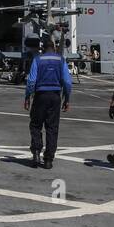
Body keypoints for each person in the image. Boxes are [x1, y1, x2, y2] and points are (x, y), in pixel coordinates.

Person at [25, 37, 73, 169]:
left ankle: (35, 152)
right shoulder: (61, 60)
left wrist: (27, 96)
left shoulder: (37, 59)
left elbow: (31, 81)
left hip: (40, 96)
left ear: (43, 48)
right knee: (52, 128)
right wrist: (67, 99)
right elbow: (68, 83)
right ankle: (48, 160)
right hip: (55, 97)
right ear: (54, 48)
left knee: (35, 125)